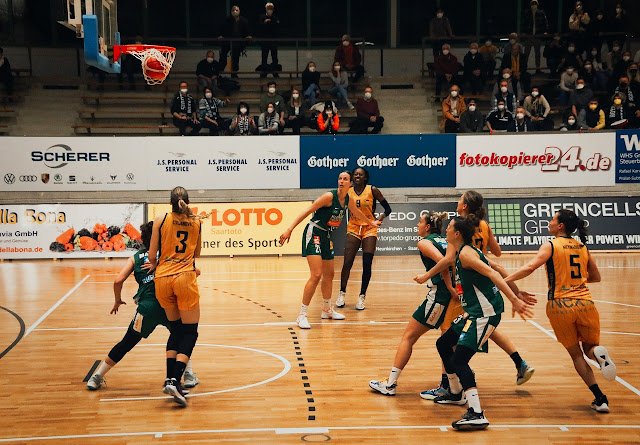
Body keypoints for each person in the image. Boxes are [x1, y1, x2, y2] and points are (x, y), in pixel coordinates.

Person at [418, 191, 536, 400]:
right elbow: (497, 256)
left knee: (449, 337)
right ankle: (519, 362)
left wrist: (427, 275)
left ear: (464, 207)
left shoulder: (460, 240)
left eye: (460, 199)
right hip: (484, 284)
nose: (458, 201)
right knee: (486, 327)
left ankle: (451, 385)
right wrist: (515, 290)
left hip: (466, 287)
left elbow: (447, 261)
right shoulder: (483, 226)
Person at [505, 209, 616, 413]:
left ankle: (600, 396)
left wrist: (504, 281)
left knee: (576, 355)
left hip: (560, 305)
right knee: (590, 348)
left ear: (561, 226)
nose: (549, 222)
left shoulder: (551, 245)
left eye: (553, 219)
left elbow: (530, 267)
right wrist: (578, 282)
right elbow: (596, 277)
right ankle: (599, 363)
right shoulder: (582, 247)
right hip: (586, 303)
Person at [430, 215, 534, 431]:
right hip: (473, 310)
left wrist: (514, 299)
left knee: (460, 360)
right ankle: (456, 393)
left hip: (484, 313)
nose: (446, 231)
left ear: (457, 233)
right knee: (443, 343)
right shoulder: (465, 251)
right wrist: (517, 290)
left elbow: (493, 273)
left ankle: (476, 412)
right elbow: (498, 266)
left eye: (449, 228)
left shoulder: (466, 255)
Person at [86, 222, 199, 392]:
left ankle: (97, 377)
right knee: (182, 337)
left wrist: (117, 300)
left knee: (127, 342)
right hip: (170, 306)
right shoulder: (170, 256)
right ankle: (188, 375)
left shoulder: (135, 258)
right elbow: (196, 271)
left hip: (146, 309)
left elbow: (117, 281)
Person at [279, 171, 381, 329]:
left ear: (350, 184)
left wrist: (371, 223)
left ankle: (326, 309)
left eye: (345, 179)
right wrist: (289, 229)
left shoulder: (348, 199)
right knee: (316, 275)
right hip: (314, 232)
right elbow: (307, 211)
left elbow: (357, 213)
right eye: (340, 178)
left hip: (326, 235)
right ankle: (302, 315)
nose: (341, 181)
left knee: (330, 274)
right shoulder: (329, 196)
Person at [368, 211, 456, 395]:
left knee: (408, 337)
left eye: (419, 222)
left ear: (427, 227)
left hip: (439, 296)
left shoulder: (424, 242)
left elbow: (444, 263)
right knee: (448, 341)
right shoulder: (445, 241)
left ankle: (390, 384)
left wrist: (444, 285)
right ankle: (449, 385)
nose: (417, 225)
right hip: (452, 297)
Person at [148, 187, 206, 407]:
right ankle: (174, 379)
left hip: (162, 279)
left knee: (176, 330)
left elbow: (152, 255)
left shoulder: (160, 219)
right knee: (190, 332)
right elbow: (197, 253)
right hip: (184, 278)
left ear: (169, 202)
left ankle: (172, 381)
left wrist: (156, 264)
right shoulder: (198, 222)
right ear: (188, 202)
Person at [337, 167, 391, 310]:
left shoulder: (372, 190)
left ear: (365, 177)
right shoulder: (347, 191)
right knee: (347, 261)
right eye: (355, 174)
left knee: (367, 263)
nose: (357, 176)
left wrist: (380, 217)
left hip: (369, 228)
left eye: (360, 174)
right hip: (354, 227)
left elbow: (388, 209)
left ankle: (362, 296)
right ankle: (342, 293)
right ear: (352, 178)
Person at [218, 5, 252, 76]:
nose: (235, 11)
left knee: (235, 58)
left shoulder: (244, 21)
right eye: (233, 10)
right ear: (231, 12)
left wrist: (248, 36)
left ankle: (234, 74)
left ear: (239, 11)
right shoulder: (227, 20)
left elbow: (247, 31)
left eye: (236, 10)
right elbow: (222, 29)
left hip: (238, 42)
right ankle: (220, 70)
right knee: (223, 55)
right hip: (228, 40)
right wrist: (221, 35)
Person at [522, 0, 549, 73]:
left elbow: (545, 23)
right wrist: (524, 32)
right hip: (529, 36)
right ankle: (523, 69)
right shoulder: (527, 13)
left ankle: (538, 69)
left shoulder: (541, 13)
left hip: (537, 35)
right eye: (532, 4)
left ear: (537, 5)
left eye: (535, 4)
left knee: (537, 54)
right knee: (526, 53)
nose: (533, 5)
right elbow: (523, 23)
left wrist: (545, 31)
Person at [256, 2, 280, 77]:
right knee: (264, 57)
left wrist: (270, 21)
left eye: (271, 9)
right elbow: (260, 26)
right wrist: (265, 22)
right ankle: (263, 73)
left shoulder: (275, 17)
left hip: (273, 41)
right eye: (268, 9)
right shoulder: (262, 17)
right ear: (266, 9)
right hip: (265, 41)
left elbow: (277, 25)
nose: (270, 10)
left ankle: (275, 72)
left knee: (275, 57)